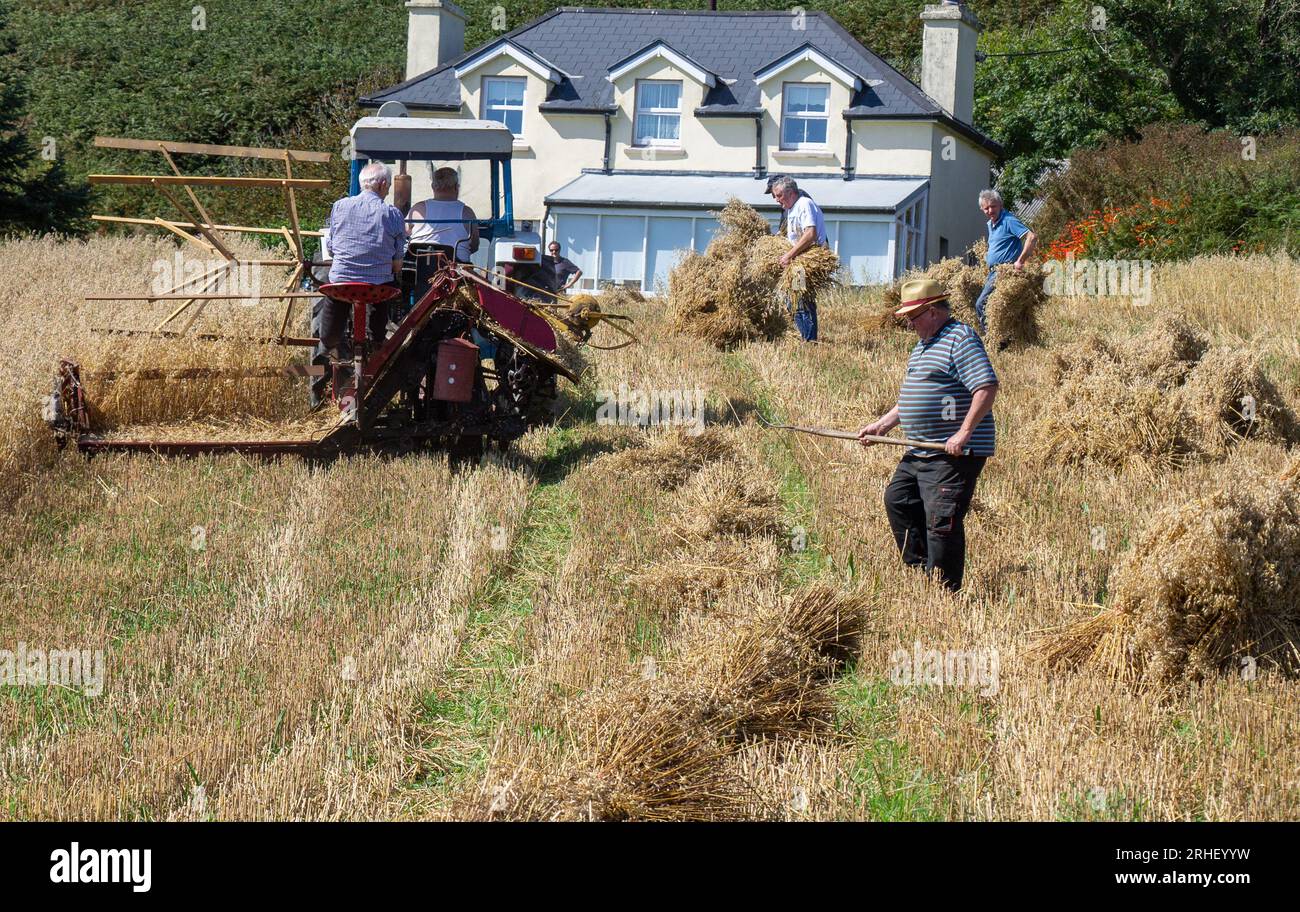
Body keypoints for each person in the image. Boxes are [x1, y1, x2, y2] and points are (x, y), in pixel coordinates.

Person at [857, 278, 998, 592]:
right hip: (918, 449)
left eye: (913, 316)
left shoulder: (960, 339)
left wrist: (963, 433)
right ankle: (922, 573)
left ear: (933, 311)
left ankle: (944, 590)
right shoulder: (923, 345)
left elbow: (986, 387)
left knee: (941, 521)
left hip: (951, 453)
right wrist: (882, 425)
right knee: (899, 501)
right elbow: (911, 398)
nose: (909, 324)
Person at [312, 160, 406, 407]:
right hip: (377, 289)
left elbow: (331, 248)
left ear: (363, 182)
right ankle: (376, 341)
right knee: (387, 290)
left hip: (341, 286)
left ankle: (328, 345)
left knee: (330, 323)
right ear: (384, 184)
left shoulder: (340, 206)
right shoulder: (393, 214)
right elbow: (397, 261)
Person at [771, 176, 827, 342]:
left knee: (801, 301)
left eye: (779, 195)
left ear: (791, 193)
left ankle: (810, 341)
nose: (776, 200)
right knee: (794, 301)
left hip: (805, 261)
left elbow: (810, 233)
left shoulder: (804, 204)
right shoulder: (791, 209)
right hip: (798, 261)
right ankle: (807, 339)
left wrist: (789, 255)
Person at [973, 189, 1036, 333]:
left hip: (1003, 270)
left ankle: (995, 339)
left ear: (1000, 205)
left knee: (981, 304)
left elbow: (1031, 237)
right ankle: (1006, 336)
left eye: (993, 206)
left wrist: (1020, 261)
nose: (990, 210)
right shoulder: (991, 224)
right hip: (992, 272)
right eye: (986, 208)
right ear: (982, 210)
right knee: (998, 306)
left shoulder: (1008, 220)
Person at [407, 167, 480, 263]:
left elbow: (406, 234)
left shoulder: (417, 209)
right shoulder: (467, 213)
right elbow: (474, 246)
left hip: (415, 271)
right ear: (456, 187)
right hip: (456, 272)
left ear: (433, 186)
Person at [764, 173, 807, 237]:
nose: (774, 197)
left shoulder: (802, 201)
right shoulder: (787, 203)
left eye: (773, 192)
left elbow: (809, 232)